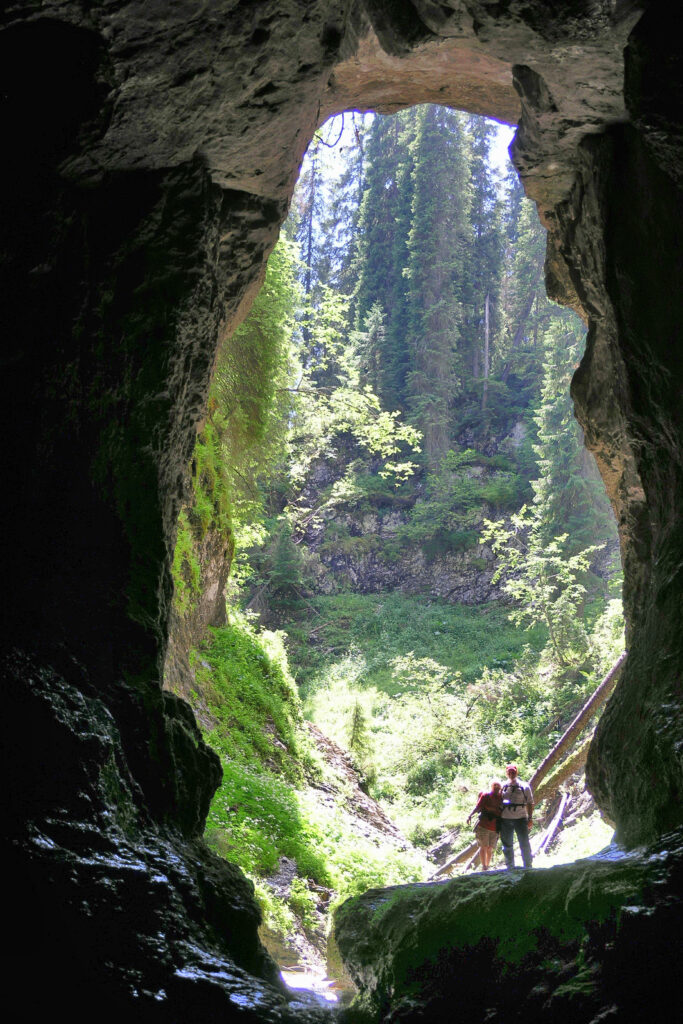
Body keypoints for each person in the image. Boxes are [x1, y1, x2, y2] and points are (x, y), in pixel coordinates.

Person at [499, 763, 534, 869]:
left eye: (513, 772)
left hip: (521, 818)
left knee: (524, 843)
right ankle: (510, 867)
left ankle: (528, 866)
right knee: (507, 844)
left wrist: (530, 818)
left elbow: (530, 803)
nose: (511, 774)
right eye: (509, 772)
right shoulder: (503, 786)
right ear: (506, 773)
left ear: (516, 772)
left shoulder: (524, 786)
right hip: (505, 819)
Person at [466, 781, 503, 870]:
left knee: (490, 848)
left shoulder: (501, 798)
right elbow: (478, 807)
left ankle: (487, 865)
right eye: (495, 785)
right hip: (483, 825)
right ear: (491, 786)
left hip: (495, 827)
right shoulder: (486, 795)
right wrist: (470, 815)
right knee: (483, 846)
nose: (496, 787)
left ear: (500, 787)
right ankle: (484, 866)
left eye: (498, 786)